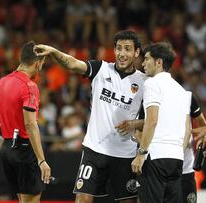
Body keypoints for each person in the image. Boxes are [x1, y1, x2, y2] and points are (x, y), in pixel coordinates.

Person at [34, 30, 145, 203]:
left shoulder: (144, 82)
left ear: (136, 52)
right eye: (119, 48)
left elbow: (152, 121)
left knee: (129, 201)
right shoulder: (101, 69)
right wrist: (54, 52)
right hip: (95, 150)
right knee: (83, 198)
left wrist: (135, 123)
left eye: (128, 49)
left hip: (125, 153)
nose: (122, 54)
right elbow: (72, 64)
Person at [129, 42, 191, 203]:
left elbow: (152, 120)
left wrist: (141, 154)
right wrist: (179, 151)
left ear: (159, 62)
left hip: (155, 156)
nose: (142, 63)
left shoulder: (152, 83)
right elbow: (187, 129)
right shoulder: (182, 90)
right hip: (176, 158)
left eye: (147, 59)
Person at [0, 41, 51, 203]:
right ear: (37, 63)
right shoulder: (30, 86)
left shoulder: (0, 83)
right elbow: (30, 125)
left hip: (7, 150)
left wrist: (11, 140)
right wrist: (42, 160)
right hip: (25, 151)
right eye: (42, 63)